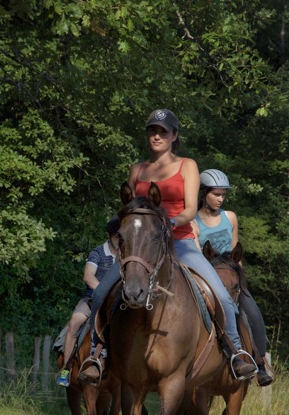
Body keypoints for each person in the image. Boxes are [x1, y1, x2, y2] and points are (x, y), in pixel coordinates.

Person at [79, 108, 258, 386]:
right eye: (152, 130)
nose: (156, 135)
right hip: (142, 248)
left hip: (181, 242)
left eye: (163, 131)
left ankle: (236, 353)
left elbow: (189, 210)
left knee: (221, 295)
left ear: (174, 136)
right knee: (102, 292)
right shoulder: (137, 170)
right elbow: (128, 209)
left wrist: (167, 224)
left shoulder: (188, 165)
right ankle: (97, 355)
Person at [192, 169, 274, 386]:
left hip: (231, 278)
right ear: (204, 194)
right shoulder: (193, 221)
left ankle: (260, 365)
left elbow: (235, 252)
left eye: (223, 195)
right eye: (216, 194)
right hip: (206, 277)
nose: (220, 199)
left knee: (254, 313)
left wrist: (240, 281)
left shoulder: (230, 218)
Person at [56, 219, 120, 387]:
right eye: (116, 236)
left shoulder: (127, 255)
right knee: (74, 323)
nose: (119, 240)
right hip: (93, 299)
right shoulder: (98, 252)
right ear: (109, 235)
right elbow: (88, 276)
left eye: (121, 237)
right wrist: (103, 291)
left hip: (118, 303)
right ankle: (66, 369)